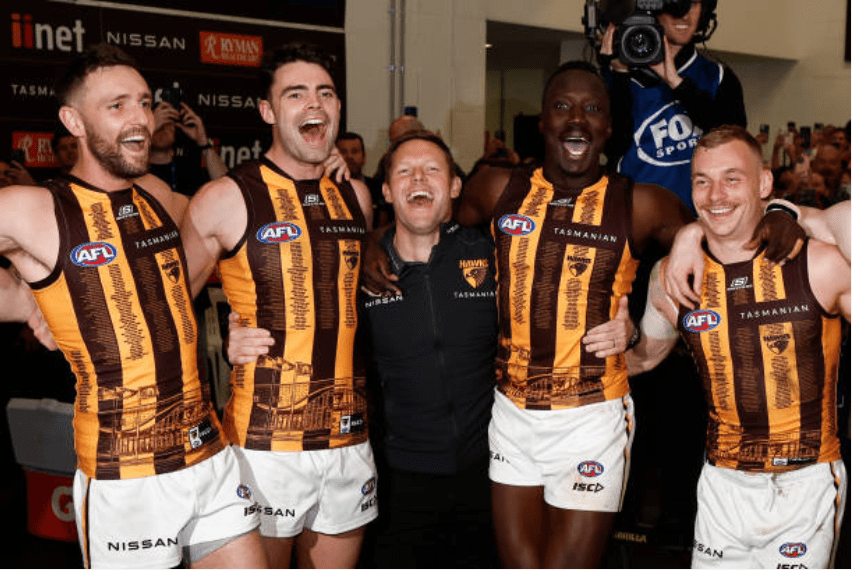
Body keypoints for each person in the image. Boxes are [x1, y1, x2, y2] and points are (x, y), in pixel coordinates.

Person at [0, 44, 266, 568]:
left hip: (207, 456)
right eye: (117, 105)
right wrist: (22, 303)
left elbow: (241, 235)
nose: (140, 118)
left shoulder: (155, 194)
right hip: (125, 478)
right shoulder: (32, 208)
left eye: (143, 102)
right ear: (72, 121)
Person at [452, 60, 694, 568]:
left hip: (593, 416)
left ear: (608, 127)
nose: (576, 120)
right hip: (512, 413)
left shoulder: (643, 203)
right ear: (541, 122)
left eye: (592, 109)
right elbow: (426, 232)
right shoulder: (495, 189)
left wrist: (646, 334)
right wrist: (370, 245)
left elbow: (705, 251)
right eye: (562, 107)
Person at [179, 42, 374, 569]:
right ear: (268, 111)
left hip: (349, 440)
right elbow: (166, 315)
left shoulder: (356, 196)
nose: (314, 104)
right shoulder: (224, 197)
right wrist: (224, 327)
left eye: (325, 93)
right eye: (295, 94)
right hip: (263, 446)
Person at [626, 125, 849, 568]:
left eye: (732, 178)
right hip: (721, 484)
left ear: (764, 182)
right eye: (702, 181)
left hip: (805, 482)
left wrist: (792, 212)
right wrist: (619, 338)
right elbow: (644, 357)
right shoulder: (672, 277)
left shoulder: (820, 263)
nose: (715, 195)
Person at [602, 0, 746, 212]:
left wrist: (677, 84)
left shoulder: (717, 76)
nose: (685, 15)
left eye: (693, 3)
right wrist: (619, 76)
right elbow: (613, 147)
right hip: (635, 221)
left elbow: (737, 146)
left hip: (702, 221)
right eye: (675, 4)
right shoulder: (617, 78)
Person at [149, 97, 228, 196]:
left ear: (176, 128)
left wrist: (203, 142)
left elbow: (227, 189)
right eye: (159, 124)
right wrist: (147, 130)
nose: (163, 129)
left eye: (168, 122)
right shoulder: (135, 169)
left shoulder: (189, 167)